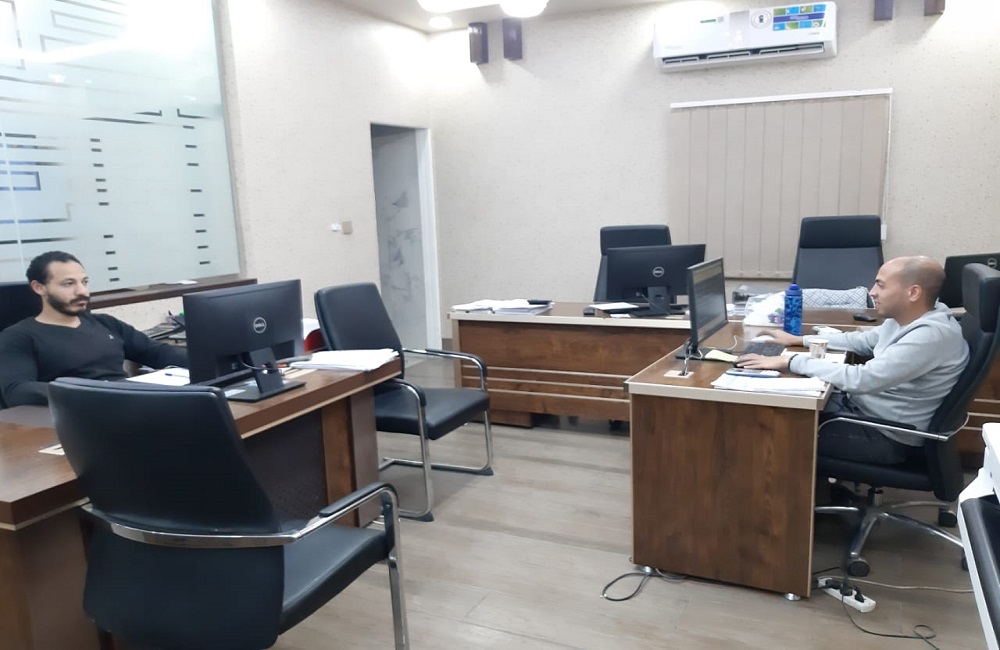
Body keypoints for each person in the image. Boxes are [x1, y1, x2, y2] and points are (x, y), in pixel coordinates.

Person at [736, 256, 969, 465]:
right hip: (865, 412)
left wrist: (790, 361)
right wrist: (800, 339)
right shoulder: (911, 316)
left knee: (774, 431)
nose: (872, 292)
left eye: (881, 285)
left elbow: (862, 379)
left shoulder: (929, 336)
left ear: (913, 293)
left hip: (886, 436)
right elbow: (862, 341)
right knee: (780, 411)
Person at [0, 251, 188, 407]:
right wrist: (96, 391)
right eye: (68, 284)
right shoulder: (18, 337)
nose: (81, 291)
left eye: (84, 282)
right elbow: (17, 391)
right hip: (77, 415)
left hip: (128, 405)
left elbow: (157, 353)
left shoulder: (105, 323)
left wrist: (202, 361)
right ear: (39, 287)